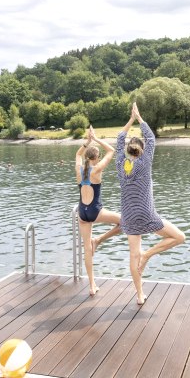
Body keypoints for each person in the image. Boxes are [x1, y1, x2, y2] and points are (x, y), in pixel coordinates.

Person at [116, 103, 185, 305]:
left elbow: (119, 140)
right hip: (146, 213)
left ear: (128, 151)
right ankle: (148, 255)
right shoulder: (145, 162)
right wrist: (138, 117)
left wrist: (130, 121)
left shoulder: (121, 164)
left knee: (132, 255)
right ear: (142, 149)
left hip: (128, 216)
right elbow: (152, 138)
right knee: (179, 237)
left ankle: (139, 295)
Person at [76, 125, 121, 295]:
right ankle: (100, 240)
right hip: (95, 211)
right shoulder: (97, 170)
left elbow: (78, 154)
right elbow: (111, 150)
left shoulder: (79, 170)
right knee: (125, 222)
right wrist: (95, 139)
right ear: (97, 157)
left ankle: (92, 286)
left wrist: (87, 142)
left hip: (82, 212)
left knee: (86, 249)